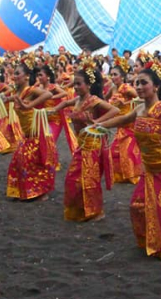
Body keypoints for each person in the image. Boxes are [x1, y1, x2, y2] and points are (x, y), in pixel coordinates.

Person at [97, 64, 161, 260]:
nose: (140, 86)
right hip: (149, 170)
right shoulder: (139, 109)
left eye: (144, 83)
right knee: (137, 207)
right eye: (137, 83)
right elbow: (121, 119)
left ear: (157, 86)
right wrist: (97, 126)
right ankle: (149, 240)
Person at [51, 62, 119, 221]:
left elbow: (115, 110)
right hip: (82, 144)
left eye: (78, 84)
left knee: (88, 179)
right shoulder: (77, 100)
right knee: (73, 178)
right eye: (74, 84)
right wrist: (52, 110)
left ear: (88, 85)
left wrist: (97, 123)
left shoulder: (93, 100)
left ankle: (95, 212)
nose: (75, 87)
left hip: (93, 145)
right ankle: (80, 211)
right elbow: (64, 103)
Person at [6, 60, 56, 201]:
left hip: (37, 131)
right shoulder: (17, 91)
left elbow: (48, 95)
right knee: (20, 160)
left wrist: (30, 106)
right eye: (14, 73)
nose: (14, 76)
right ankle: (25, 190)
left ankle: (42, 192)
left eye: (17, 73)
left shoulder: (30, 90)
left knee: (33, 160)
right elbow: (12, 99)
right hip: (26, 132)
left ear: (27, 76)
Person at [106, 57, 143, 184]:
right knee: (115, 149)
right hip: (118, 123)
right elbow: (105, 100)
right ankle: (120, 174)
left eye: (115, 74)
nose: (113, 77)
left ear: (122, 76)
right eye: (111, 74)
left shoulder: (125, 88)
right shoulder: (113, 89)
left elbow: (141, 98)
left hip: (129, 122)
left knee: (128, 149)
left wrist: (126, 102)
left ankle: (132, 173)